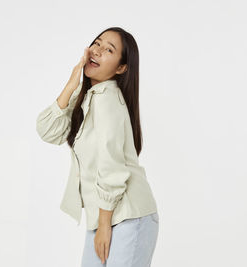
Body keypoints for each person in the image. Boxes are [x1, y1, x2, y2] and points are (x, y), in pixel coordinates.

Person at [36, 27, 159, 267]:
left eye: (109, 50)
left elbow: (111, 165)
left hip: (126, 217)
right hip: (106, 217)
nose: (98, 51)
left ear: (121, 68)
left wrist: (104, 224)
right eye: (97, 43)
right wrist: (72, 83)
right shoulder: (88, 98)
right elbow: (48, 131)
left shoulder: (107, 100)